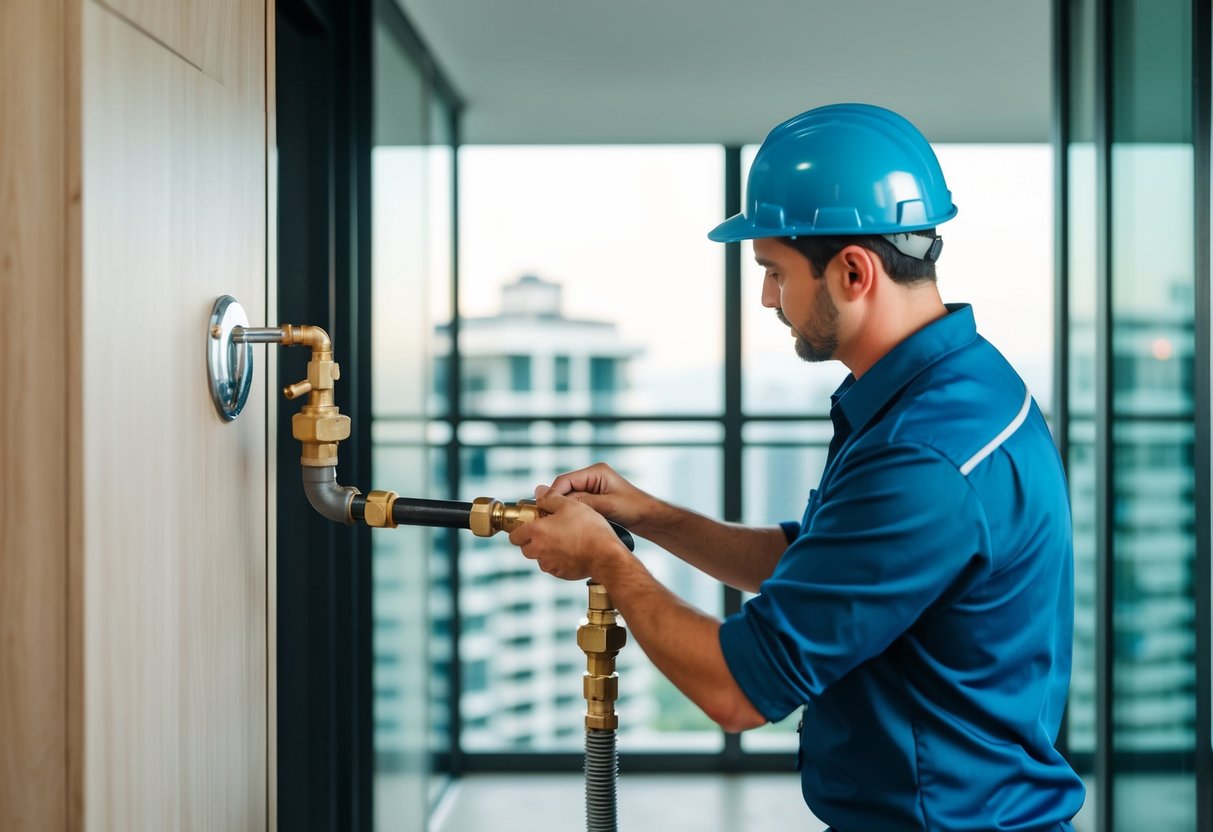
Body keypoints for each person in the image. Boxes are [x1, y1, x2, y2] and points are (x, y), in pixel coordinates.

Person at [507, 103, 1086, 831]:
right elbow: (818, 565)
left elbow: (734, 692)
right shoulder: (942, 392)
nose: (766, 298)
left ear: (851, 271)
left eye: (775, 272)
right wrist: (649, 516)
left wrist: (608, 564)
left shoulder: (923, 454)